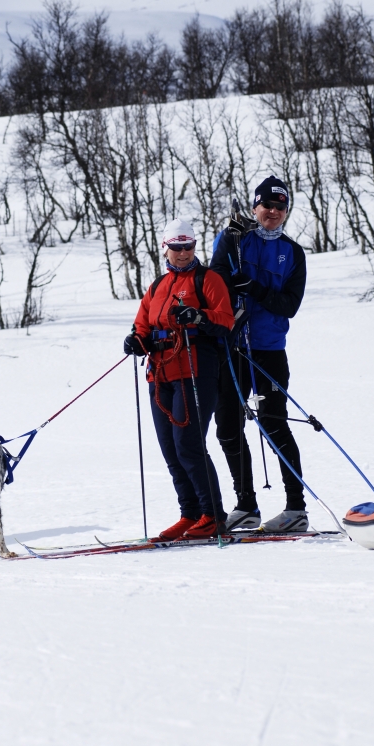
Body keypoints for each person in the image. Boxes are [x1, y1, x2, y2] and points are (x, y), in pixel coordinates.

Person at [124, 218, 234, 540]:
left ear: (194, 247)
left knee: (188, 444)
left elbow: (225, 320)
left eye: (188, 247)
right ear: (166, 249)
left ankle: (212, 514)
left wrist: (199, 316)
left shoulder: (208, 279)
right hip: (159, 373)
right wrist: (136, 340)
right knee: (170, 448)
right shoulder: (157, 286)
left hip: (195, 369)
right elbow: (142, 323)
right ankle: (190, 514)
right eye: (176, 247)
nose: (183, 253)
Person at [210, 175, 308, 533]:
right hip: (232, 347)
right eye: (267, 205)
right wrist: (230, 277)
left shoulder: (293, 253)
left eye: (280, 207)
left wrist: (255, 288)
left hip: (268, 351)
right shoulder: (234, 238)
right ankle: (246, 504)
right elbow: (214, 279)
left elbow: (289, 305)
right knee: (228, 428)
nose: (273, 212)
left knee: (273, 423)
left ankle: (296, 507)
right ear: (255, 206)